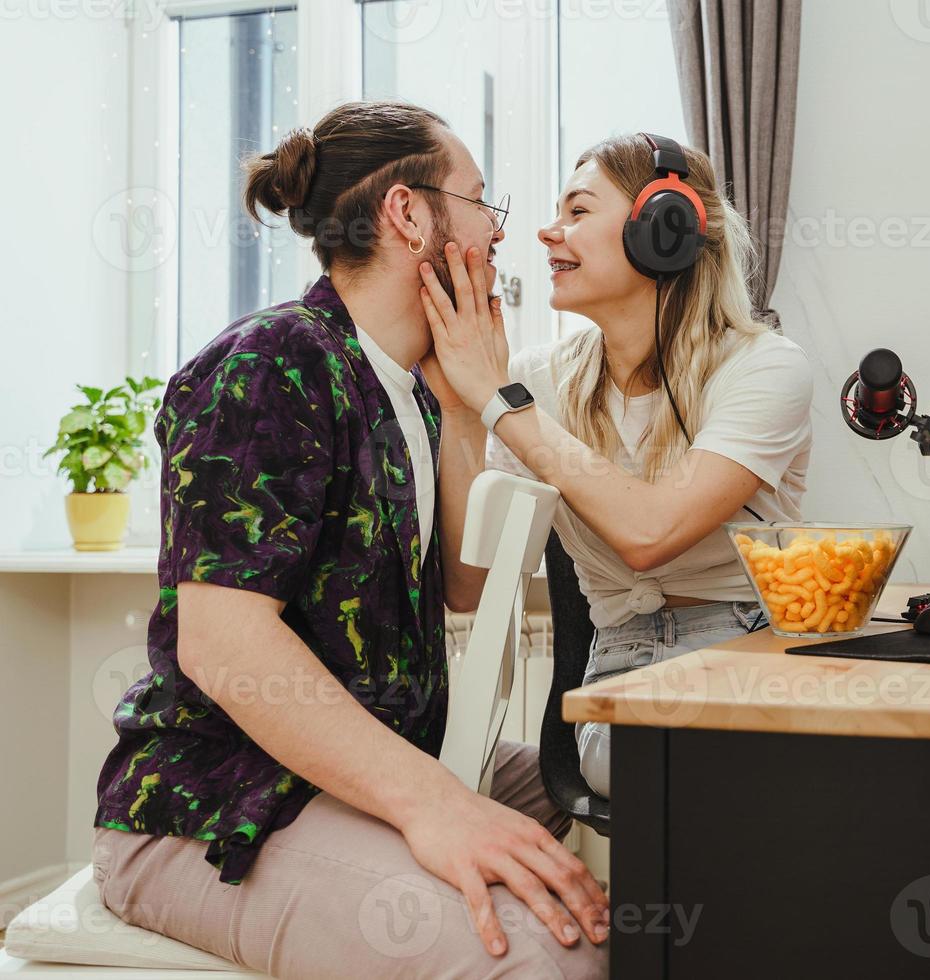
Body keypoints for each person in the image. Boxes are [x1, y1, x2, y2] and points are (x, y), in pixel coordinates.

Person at [92, 100, 608, 978]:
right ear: (410, 214)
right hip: (218, 805)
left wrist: (460, 402)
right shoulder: (271, 364)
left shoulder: (400, 386)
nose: (498, 235)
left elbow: (464, 587)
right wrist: (436, 804)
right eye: (483, 205)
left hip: (362, 761)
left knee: (610, 795)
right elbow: (225, 646)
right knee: (544, 956)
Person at [424, 132, 813, 799]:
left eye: (577, 211)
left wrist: (499, 402)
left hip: (753, 647)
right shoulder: (534, 385)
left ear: (666, 228)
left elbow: (650, 533)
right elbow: (466, 581)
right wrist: (463, 410)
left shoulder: (765, 368)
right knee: (671, 767)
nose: (548, 233)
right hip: (620, 670)